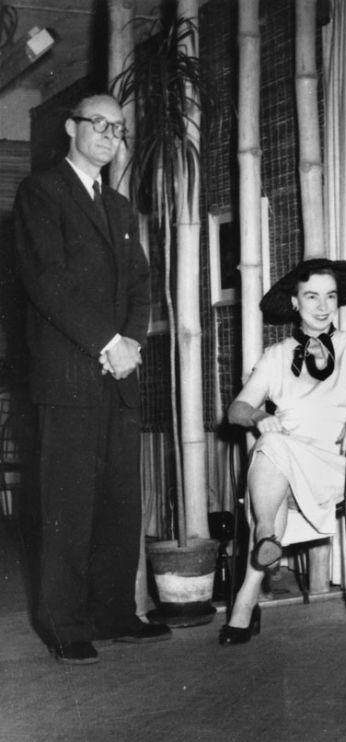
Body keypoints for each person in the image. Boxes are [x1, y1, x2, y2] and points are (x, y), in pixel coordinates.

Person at [12, 93, 170, 665]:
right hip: (70, 376)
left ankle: (115, 613)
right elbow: (48, 282)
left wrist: (130, 342)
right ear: (71, 128)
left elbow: (139, 287)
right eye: (98, 124)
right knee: (68, 502)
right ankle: (65, 624)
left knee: (119, 502)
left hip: (119, 376)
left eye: (118, 129)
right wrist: (107, 343)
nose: (109, 135)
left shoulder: (123, 210)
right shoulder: (40, 193)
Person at [219, 258, 346, 645]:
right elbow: (236, 410)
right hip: (287, 460)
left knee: (272, 454)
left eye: (330, 296)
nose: (323, 306)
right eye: (312, 296)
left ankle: (251, 584)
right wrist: (259, 415)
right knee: (273, 445)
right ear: (295, 302)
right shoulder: (277, 355)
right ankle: (264, 543)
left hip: (340, 462)